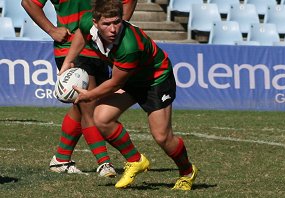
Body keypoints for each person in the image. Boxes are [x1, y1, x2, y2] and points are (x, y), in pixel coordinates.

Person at [60, 0, 198, 190]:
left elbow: (115, 82)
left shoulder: (129, 45)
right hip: (132, 79)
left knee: (161, 137)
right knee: (101, 118)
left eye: (117, 22)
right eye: (106, 24)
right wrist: (68, 60)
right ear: (95, 22)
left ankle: (187, 172)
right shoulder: (86, 22)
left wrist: (89, 95)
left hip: (155, 80)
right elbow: (81, 36)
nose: (113, 29)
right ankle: (135, 160)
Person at [21, 0, 137, 176]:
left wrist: (116, 29)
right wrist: (52, 30)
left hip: (100, 50)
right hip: (70, 48)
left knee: (81, 107)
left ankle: (61, 159)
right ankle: (105, 163)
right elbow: (28, 2)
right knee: (91, 106)